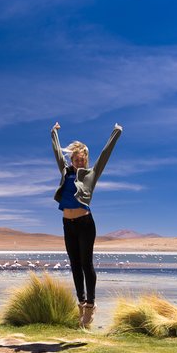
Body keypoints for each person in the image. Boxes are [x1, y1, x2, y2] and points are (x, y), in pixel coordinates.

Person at [51, 121, 122, 328]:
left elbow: (105, 154)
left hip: (85, 223)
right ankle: (81, 303)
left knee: (86, 263)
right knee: (74, 264)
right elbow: (57, 152)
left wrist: (116, 132)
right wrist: (53, 133)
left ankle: (90, 305)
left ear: (86, 160)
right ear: (71, 159)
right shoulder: (66, 172)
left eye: (82, 160)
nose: (79, 163)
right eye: (76, 159)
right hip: (67, 223)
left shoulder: (91, 174)